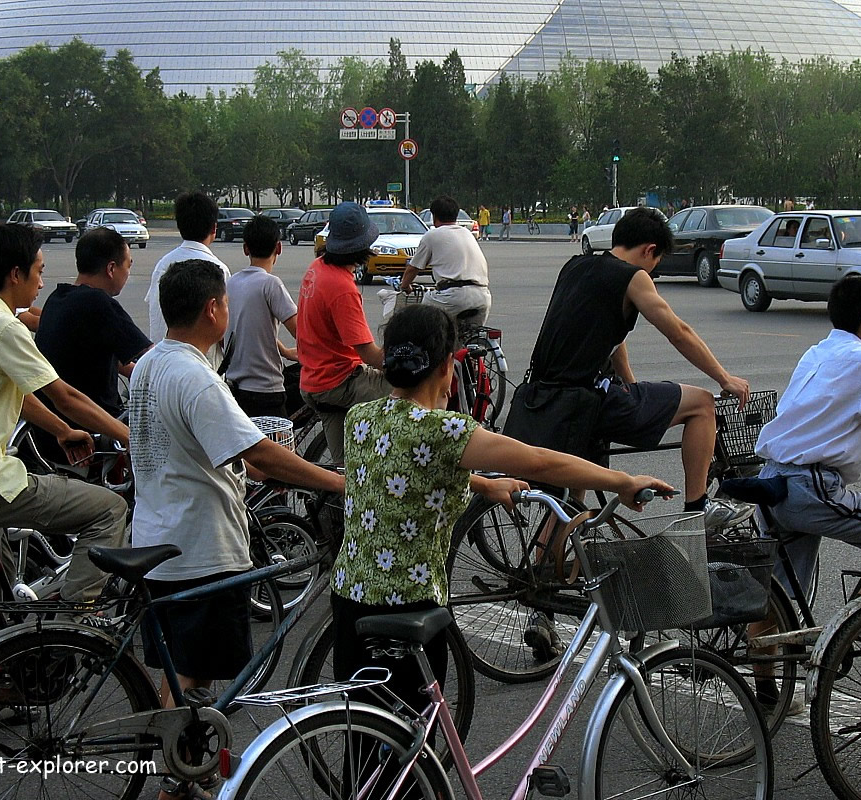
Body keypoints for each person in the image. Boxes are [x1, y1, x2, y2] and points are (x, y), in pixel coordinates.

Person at [331, 303, 673, 717]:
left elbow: (404, 473)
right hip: (407, 604)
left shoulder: (362, 418)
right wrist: (624, 481)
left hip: (350, 596)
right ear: (445, 368)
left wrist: (484, 484)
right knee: (410, 742)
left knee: (367, 732)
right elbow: (541, 461)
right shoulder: (444, 430)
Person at [127, 258, 344, 800]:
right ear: (212, 309)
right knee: (196, 677)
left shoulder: (153, 364)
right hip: (198, 545)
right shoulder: (195, 378)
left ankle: (179, 772)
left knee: (178, 673)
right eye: (224, 300)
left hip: (156, 534)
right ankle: (175, 781)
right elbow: (264, 457)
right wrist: (338, 483)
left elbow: (213, 450)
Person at [0, 223, 131, 615]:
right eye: (38, 270)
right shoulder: (4, 327)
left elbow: (19, 396)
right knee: (109, 510)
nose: (41, 282)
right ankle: (76, 625)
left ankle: (3, 659)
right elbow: (65, 396)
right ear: (15, 274)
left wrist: (63, 431)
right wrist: (129, 436)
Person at [524, 206, 751, 525]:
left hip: (546, 400)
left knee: (571, 499)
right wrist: (724, 377)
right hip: (586, 403)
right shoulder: (633, 277)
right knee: (701, 403)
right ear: (650, 250)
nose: (653, 272)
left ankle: (548, 566)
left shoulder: (576, 266)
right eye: (655, 264)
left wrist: (630, 384)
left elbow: (612, 336)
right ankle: (698, 508)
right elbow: (679, 332)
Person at [756, 275, 861, 598]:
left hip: (772, 480)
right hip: (809, 488)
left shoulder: (817, 352)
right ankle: (858, 624)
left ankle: (757, 648)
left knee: (780, 599)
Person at [296, 203, 390, 464]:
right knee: (413, 392)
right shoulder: (341, 288)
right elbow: (369, 354)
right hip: (339, 382)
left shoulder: (317, 268)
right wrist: (406, 366)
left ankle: (332, 500)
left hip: (313, 381)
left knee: (343, 470)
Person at [35, 226, 150, 418]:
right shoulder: (98, 303)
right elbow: (151, 355)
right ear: (111, 268)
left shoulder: (58, 298)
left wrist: (133, 371)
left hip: (52, 418)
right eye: (128, 266)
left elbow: (92, 354)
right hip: (93, 422)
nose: (128, 273)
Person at [223, 215, 299, 418]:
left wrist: (284, 351)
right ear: (279, 248)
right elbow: (301, 332)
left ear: (245, 248)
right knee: (279, 447)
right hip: (267, 390)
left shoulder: (231, 283)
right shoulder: (271, 284)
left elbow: (245, 327)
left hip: (235, 386)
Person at [145, 192, 230, 367]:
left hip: (161, 360)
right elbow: (225, 329)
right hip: (201, 364)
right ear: (214, 228)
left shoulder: (163, 264)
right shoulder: (217, 269)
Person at [399, 194, 491, 326]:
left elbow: (413, 268)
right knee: (469, 336)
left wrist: (405, 286)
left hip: (452, 297)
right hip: (482, 296)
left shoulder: (432, 235)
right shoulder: (467, 233)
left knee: (422, 322)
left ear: (434, 216)